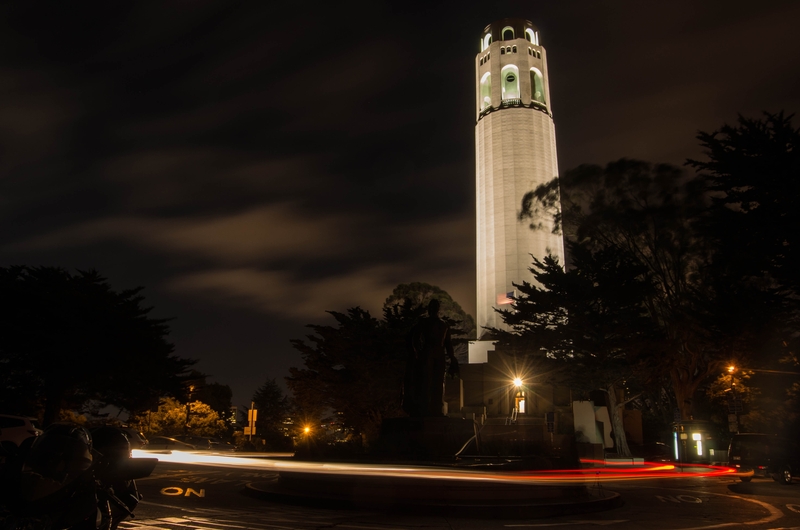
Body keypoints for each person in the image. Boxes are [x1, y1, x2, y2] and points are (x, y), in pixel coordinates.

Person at [404, 299, 458, 417]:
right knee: (426, 381)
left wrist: (452, 357)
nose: (433, 310)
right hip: (428, 353)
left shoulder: (443, 325)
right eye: (432, 307)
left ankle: (436, 408)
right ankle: (425, 408)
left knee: (437, 382)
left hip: (437, 354)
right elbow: (414, 338)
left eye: (435, 307)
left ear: (437, 309)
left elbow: (448, 343)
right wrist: (416, 351)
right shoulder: (424, 323)